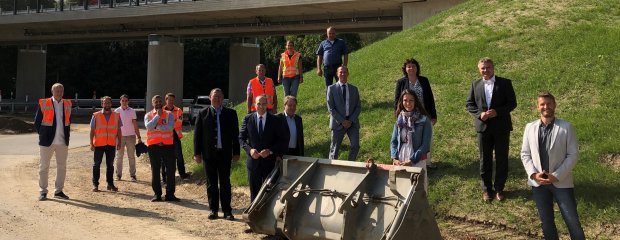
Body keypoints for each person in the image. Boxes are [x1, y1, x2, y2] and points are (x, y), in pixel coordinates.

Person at [520, 92, 585, 240]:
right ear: (537, 107)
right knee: (546, 222)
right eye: (542, 104)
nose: (546, 107)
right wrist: (534, 174)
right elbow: (525, 154)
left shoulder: (566, 127)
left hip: (561, 182)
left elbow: (573, 155)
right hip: (538, 183)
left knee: (572, 221)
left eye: (549, 103)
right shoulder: (529, 127)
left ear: (554, 105)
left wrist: (556, 176)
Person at [466, 57, 517, 201]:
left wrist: (498, 112)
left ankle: (499, 188)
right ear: (479, 69)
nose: (485, 70)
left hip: (501, 127)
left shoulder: (505, 83)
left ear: (493, 68)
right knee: (485, 159)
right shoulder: (475, 84)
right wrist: (479, 114)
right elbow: (469, 104)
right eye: (482, 68)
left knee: (501, 158)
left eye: (488, 67)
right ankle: (487, 189)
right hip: (483, 127)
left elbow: (512, 103)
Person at [193, 88, 240, 221]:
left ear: (223, 98)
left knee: (225, 182)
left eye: (220, 96)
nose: (217, 98)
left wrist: (236, 152)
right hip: (209, 155)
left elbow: (235, 135)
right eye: (215, 96)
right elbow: (197, 135)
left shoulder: (231, 113)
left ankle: (227, 211)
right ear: (210, 97)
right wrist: (197, 153)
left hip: (225, 154)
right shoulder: (203, 113)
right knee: (211, 183)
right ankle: (213, 210)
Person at [239, 95, 287, 202]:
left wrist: (270, 151)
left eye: (264, 104)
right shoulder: (248, 119)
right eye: (259, 104)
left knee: (268, 193)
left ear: (267, 105)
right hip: (253, 162)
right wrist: (249, 150)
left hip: (269, 163)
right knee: (254, 193)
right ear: (254, 105)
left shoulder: (275, 120)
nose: (261, 106)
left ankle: (266, 216)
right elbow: (241, 139)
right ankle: (253, 215)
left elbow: (282, 141)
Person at [393, 58, 438, 169]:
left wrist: (433, 115)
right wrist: (398, 115)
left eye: (413, 66)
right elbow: (397, 100)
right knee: (410, 139)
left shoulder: (424, 80)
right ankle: (409, 160)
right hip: (407, 115)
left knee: (427, 139)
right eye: (409, 66)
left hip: (422, 115)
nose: (411, 68)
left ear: (417, 68)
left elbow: (430, 98)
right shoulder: (401, 82)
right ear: (405, 69)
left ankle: (427, 163)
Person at [34, 83, 72, 201]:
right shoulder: (44, 103)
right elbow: (37, 122)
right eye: (57, 91)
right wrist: (43, 134)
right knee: (44, 167)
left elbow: (68, 121)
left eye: (61, 90)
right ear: (52, 91)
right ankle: (43, 191)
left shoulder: (67, 103)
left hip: (62, 141)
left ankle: (59, 191)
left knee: (62, 167)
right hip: (46, 141)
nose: (59, 93)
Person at [391, 89, 432, 192]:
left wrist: (412, 160)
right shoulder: (400, 119)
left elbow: (425, 145)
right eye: (405, 100)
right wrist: (394, 158)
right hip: (401, 157)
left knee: (418, 187)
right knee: (402, 186)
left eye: (411, 100)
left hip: (417, 157)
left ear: (416, 101)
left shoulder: (424, 120)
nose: (408, 103)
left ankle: (419, 208)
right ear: (402, 102)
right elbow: (394, 141)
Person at [144, 95, 180, 202]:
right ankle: (157, 194)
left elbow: (170, 127)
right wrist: (157, 117)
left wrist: (157, 127)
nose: (158, 103)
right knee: (155, 170)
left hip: (168, 146)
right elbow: (149, 127)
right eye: (156, 101)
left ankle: (170, 194)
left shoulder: (169, 114)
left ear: (162, 102)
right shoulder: (149, 115)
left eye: (160, 101)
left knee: (171, 170)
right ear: (152, 103)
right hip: (153, 147)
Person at [327, 66, 361, 161]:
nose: (343, 74)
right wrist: (342, 121)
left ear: (348, 74)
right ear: (337, 74)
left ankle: (350, 164)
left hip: (352, 123)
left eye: (345, 72)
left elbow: (358, 107)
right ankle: (332, 168)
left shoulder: (354, 89)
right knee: (335, 149)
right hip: (338, 123)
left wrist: (350, 120)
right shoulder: (331, 89)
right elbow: (331, 108)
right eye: (341, 72)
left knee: (355, 145)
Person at [89, 96, 121, 192]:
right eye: (104, 103)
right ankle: (95, 184)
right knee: (96, 165)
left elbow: (119, 130)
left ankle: (110, 184)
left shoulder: (116, 115)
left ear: (111, 104)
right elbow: (92, 131)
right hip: (99, 144)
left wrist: (119, 142)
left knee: (110, 165)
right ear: (102, 104)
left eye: (108, 103)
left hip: (111, 144)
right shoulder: (96, 115)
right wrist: (91, 143)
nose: (106, 104)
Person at [162, 93, 191, 183]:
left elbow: (179, 122)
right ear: (166, 100)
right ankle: (164, 177)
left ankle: (182, 174)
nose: (170, 101)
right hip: (165, 137)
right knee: (164, 157)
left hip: (175, 136)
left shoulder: (178, 110)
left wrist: (167, 123)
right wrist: (172, 121)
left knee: (179, 156)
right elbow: (160, 123)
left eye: (172, 100)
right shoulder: (161, 110)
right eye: (169, 99)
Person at [114, 94, 142, 182]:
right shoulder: (116, 111)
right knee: (119, 156)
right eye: (123, 100)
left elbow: (135, 124)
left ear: (128, 101)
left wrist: (139, 136)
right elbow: (115, 126)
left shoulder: (132, 111)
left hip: (131, 136)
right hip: (120, 136)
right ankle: (118, 175)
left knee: (131, 156)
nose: (124, 102)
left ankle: (133, 175)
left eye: (126, 100)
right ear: (120, 101)